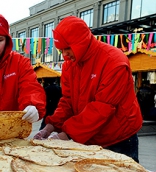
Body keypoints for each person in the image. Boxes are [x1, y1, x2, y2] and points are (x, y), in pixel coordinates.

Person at [34, 16, 142, 162]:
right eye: (61, 50)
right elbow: (67, 101)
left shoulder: (114, 62)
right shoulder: (70, 65)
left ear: (81, 42)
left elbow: (102, 108)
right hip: (89, 135)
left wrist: (66, 134)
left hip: (118, 138)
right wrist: (50, 127)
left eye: (67, 48)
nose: (65, 55)